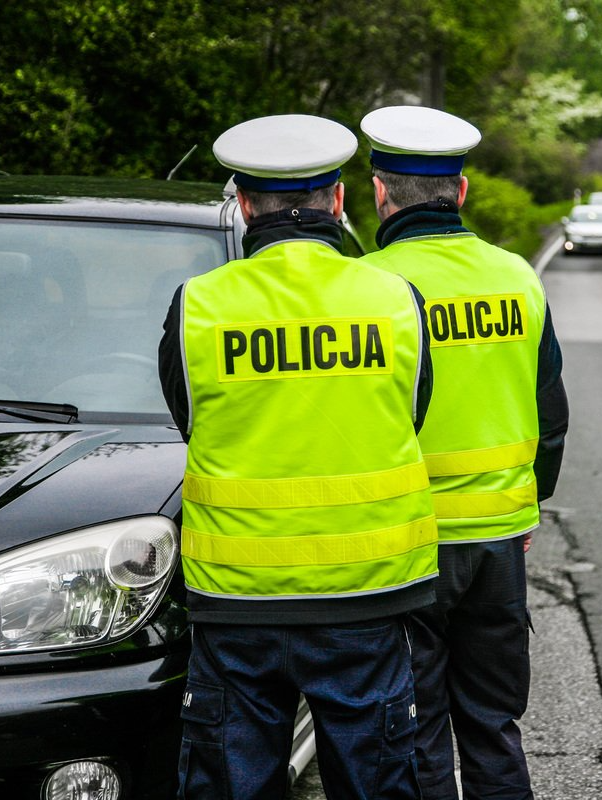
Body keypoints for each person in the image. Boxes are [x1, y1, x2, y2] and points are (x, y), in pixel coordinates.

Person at [157, 113, 438, 800]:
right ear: (338, 202)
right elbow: (410, 415)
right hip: (365, 598)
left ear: (243, 205)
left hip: (237, 608)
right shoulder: (395, 299)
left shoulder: (198, 305)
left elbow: (190, 421)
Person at [358, 105, 569, 800]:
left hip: (410, 544)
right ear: (463, 191)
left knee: (417, 730)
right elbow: (551, 413)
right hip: (501, 543)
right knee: (492, 724)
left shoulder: (369, 287)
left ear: (380, 192)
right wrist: (529, 501)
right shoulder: (517, 277)